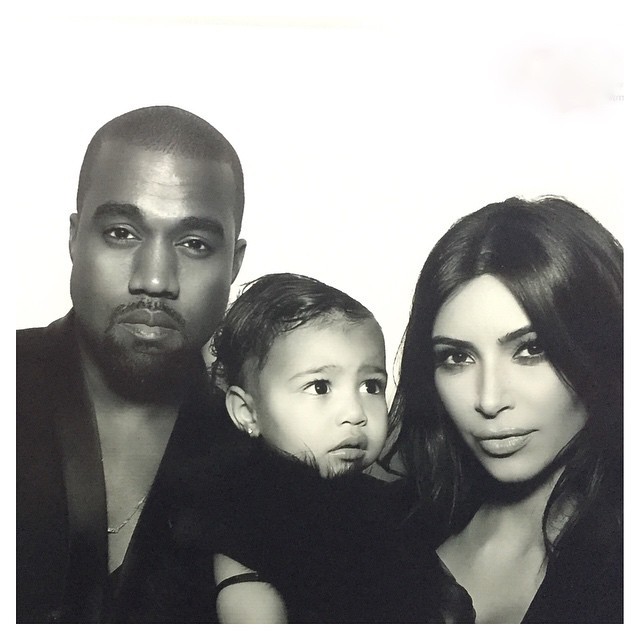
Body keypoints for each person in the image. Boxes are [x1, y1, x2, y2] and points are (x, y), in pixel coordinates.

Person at [16, 105, 248, 623]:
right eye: (122, 232)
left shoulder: (263, 448)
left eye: (194, 244)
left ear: (234, 263)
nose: (155, 280)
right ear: (74, 237)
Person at [384, 196, 623, 623]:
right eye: (457, 357)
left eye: (532, 349)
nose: (489, 400)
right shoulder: (379, 530)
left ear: (601, 350)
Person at [196, 273, 448, 623]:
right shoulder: (245, 520)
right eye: (319, 387)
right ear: (247, 413)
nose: (355, 414)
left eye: (371, 386)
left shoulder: (389, 509)